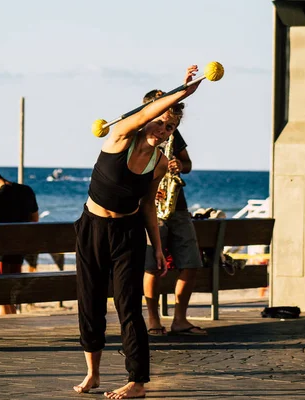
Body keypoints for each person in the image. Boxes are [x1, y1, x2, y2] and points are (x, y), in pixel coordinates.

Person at [73, 65, 202, 399]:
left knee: (128, 307)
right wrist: (181, 91)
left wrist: (157, 247)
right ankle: (93, 373)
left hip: (128, 231)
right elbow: (147, 112)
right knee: (90, 304)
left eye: (170, 127)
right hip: (92, 228)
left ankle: (137, 381)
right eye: (160, 121)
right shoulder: (120, 137)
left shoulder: (159, 162)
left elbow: (147, 205)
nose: (163, 129)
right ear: (148, 117)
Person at [142, 89, 208, 337]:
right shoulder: (139, 135)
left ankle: (180, 319)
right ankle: (153, 319)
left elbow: (188, 164)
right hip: (151, 209)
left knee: (191, 263)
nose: (166, 128)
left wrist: (181, 165)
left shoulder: (173, 135)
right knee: (151, 267)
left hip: (177, 207)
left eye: (171, 124)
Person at [0, 167, 39, 315]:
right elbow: (35, 219)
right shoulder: (26, 191)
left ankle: (5, 327)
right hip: (17, 251)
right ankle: (12, 324)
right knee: (9, 294)